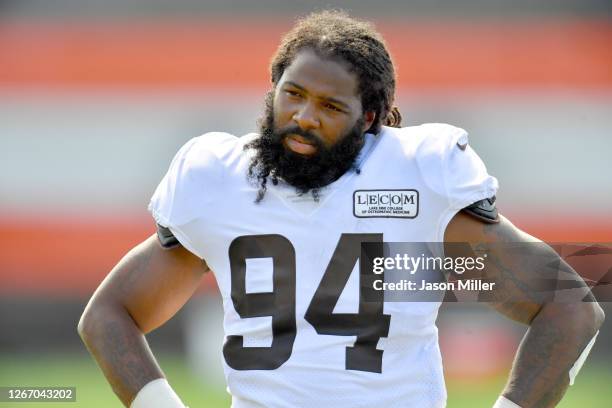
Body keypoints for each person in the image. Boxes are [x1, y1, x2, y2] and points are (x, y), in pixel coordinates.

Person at [78, 10, 604, 408]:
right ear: (272, 91)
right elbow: (108, 315)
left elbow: (569, 308)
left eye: (331, 107)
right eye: (294, 94)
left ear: (370, 117)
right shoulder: (217, 180)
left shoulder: (418, 177)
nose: (304, 118)